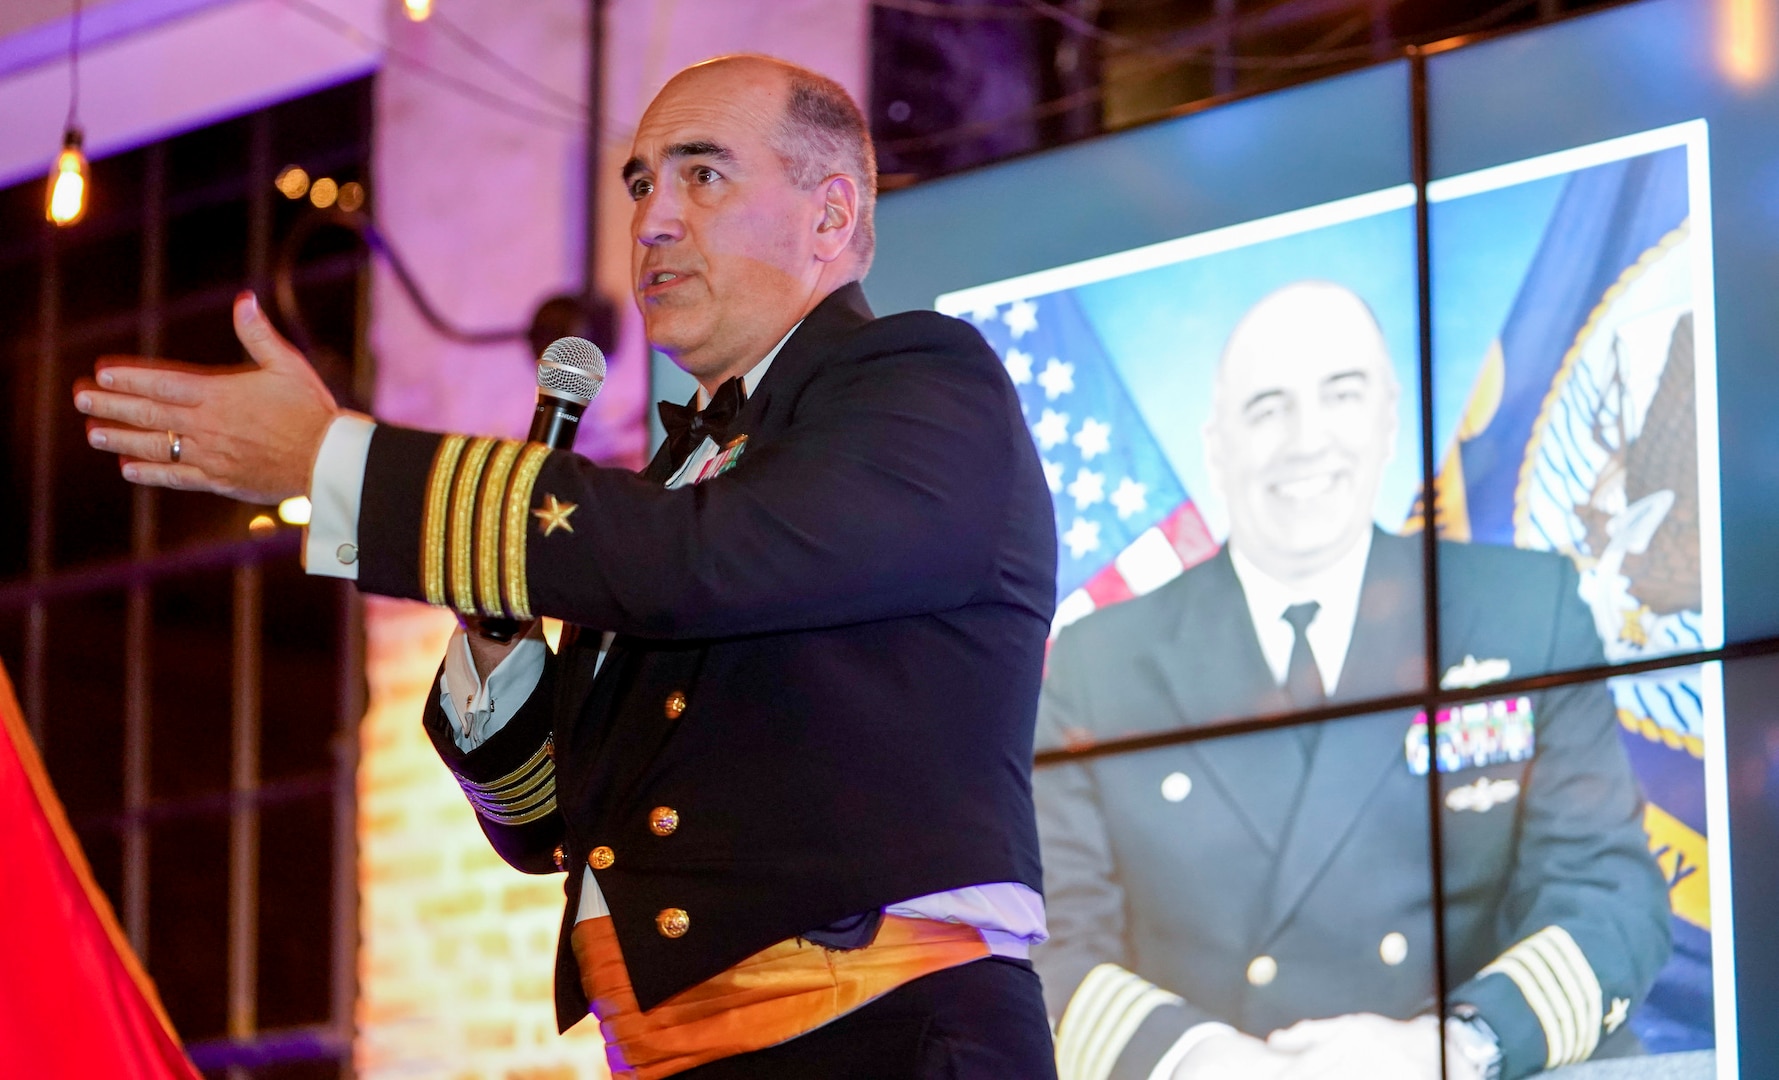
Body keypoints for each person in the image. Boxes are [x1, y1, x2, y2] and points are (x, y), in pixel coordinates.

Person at [74, 55, 1059, 1080]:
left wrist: (337, 464)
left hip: (878, 1034)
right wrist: (499, 645)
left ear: (830, 213)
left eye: (702, 175)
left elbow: (700, 569)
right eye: (641, 184)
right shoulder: (679, 479)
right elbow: (552, 824)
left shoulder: (923, 380)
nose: (651, 222)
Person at [1035, 282, 1671, 1080]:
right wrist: (1193, 1059)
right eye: (1266, 408)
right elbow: (1052, 932)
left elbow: (1610, 893)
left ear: (1388, 419)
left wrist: (1452, 1045)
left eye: (1341, 395)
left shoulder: (1521, 611)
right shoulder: (1098, 660)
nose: (1305, 442)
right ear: (1215, 446)